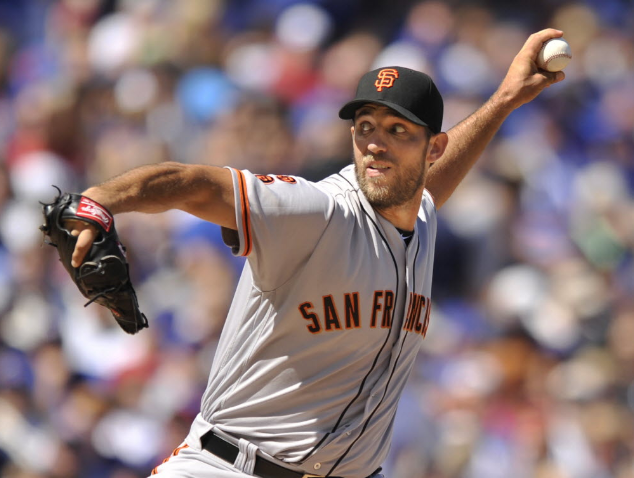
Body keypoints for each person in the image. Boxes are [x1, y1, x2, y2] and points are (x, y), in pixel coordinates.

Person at [67, 29, 566, 478]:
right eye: (365, 126)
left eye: (397, 131)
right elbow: (195, 184)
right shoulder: (316, 209)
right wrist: (101, 200)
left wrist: (504, 100)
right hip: (232, 465)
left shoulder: (420, 212)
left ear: (431, 148)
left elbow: (426, 187)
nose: (374, 143)